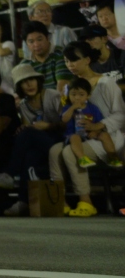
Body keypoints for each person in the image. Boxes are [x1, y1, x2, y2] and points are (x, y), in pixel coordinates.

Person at [49, 42, 125, 217]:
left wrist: (99, 125)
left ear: (88, 60)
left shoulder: (106, 83)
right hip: (79, 135)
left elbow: (121, 115)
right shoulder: (69, 88)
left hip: (105, 137)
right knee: (54, 151)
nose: (70, 65)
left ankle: (86, 201)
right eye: (67, 61)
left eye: (74, 60)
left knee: (70, 152)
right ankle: (60, 201)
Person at [0, 63, 64, 214]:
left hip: (58, 141)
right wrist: (25, 128)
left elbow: (66, 124)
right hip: (39, 144)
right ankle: (24, 201)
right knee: (29, 155)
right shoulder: (23, 105)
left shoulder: (52, 95)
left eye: (31, 80)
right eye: (23, 82)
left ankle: (9, 173)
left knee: (28, 134)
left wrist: (47, 126)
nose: (28, 85)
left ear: (38, 80)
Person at [60, 78, 107, 168]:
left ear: (88, 96)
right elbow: (64, 119)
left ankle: (112, 156)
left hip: (89, 135)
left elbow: (100, 123)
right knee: (75, 137)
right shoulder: (67, 107)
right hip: (72, 136)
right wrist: (72, 108)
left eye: (81, 95)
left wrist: (96, 132)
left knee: (105, 135)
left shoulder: (93, 108)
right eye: (73, 94)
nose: (77, 97)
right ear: (68, 95)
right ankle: (82, 158)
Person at [18, 22, 71, 94]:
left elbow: (61, 89)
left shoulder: (60, 54)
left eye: (39, 39)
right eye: (31, 41)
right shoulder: (25, 64)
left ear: (47, 38)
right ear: (26, 44)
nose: (36, 44)